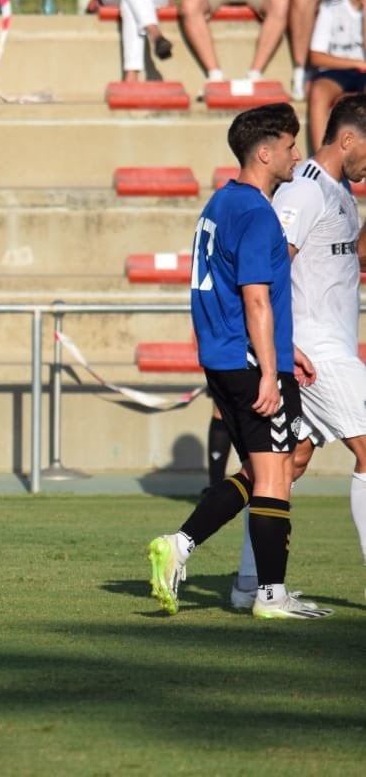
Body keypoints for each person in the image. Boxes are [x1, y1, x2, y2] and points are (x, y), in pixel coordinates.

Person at [146, 102, 331, 620]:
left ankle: (180, 546)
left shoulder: (220, 203)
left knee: (271, 463)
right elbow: (255, 298)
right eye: (291, 146)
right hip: (249, 362)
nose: (297, 155)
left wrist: (285, 347)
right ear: (265, 152)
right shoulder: (256, 213)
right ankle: (269, 594)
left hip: (224, 357)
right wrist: (271, 371)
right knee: (276, 476)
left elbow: (235, 292)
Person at [229, 93, 366, 609]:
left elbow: (346, 257)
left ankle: (248, 583)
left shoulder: (340, 191)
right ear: (347, 139)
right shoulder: (305, 190)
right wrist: (276, 348)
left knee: (286, 465)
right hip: (313, 349)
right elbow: (266, 264)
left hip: (320, 346)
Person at [305, 0, 366, 147]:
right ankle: (321, 159)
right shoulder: (331, 8)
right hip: (338, 70)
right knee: (318, 92)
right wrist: (356, 63)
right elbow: (316, 57)